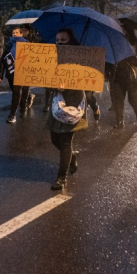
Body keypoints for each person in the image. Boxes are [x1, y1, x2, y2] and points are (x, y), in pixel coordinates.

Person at [47, 31, 88, 190]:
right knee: (54, 139)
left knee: (65, 142)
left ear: (71, 40)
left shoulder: (80, 58)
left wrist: (69, 85)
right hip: (57, 104)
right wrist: (54, 86)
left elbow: (87, 80)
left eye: (63, 40)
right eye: (57, 40)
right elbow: (45, 79)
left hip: (73, 103)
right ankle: (71, 157)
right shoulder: (52, 57)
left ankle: (61, 177)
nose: (60, 43)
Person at [108, 30, 137, 128]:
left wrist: (136, 52)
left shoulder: (136, 43)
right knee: (118, 99)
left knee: (133, 98)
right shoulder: (115, 43)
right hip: (117, 75)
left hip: (133, 77)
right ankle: (119, 122)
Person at [0, 27, 32, 123]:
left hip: (24, 73)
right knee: (15, 92)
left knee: (22, 92)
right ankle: (21, 107)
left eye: (16, 33)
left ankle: (14, 113)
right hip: (11, 73)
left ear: (21, 34)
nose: (14, 34)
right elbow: (3, 60)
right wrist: (0, 74)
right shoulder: (8, 45)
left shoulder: (27, 44)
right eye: (13, 33)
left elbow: (32, 60)